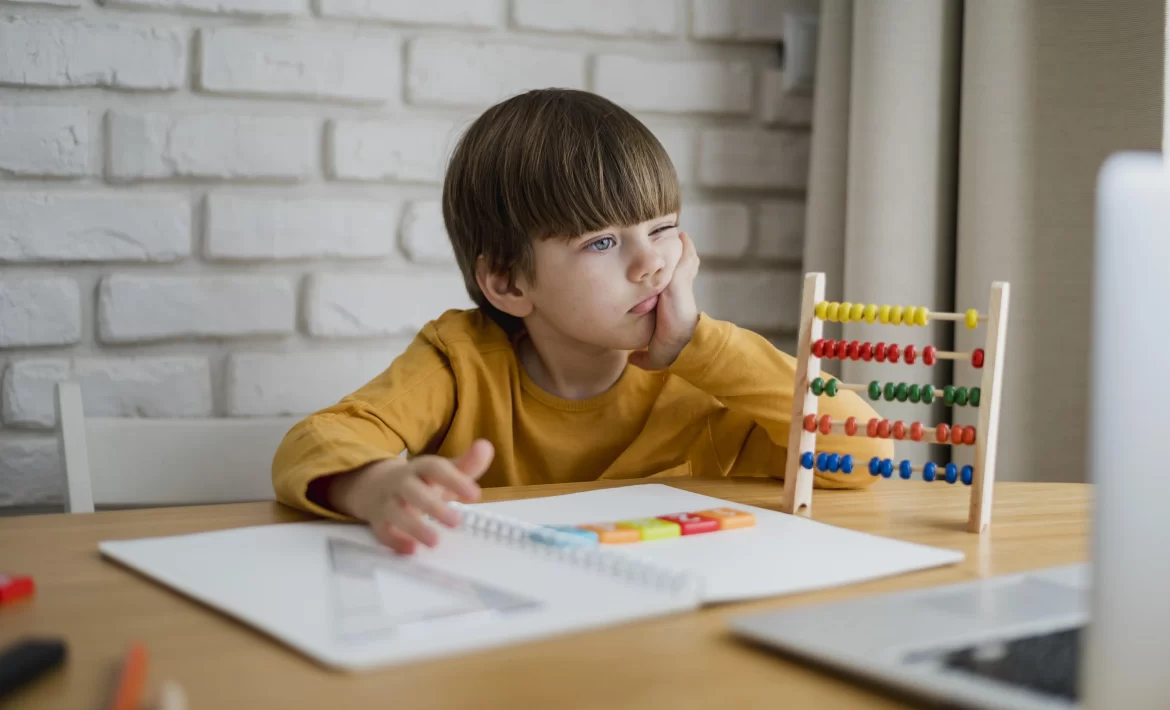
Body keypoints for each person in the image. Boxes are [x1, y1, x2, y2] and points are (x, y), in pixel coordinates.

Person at [271, 88, 893, 554]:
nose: (651, 263)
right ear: (509, 283)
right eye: (601, 242)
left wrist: (699, 345)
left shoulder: (705, 374)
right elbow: (318, 439)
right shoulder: (458, 360)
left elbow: (865, 452)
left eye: (662, 229)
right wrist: (375, 486)